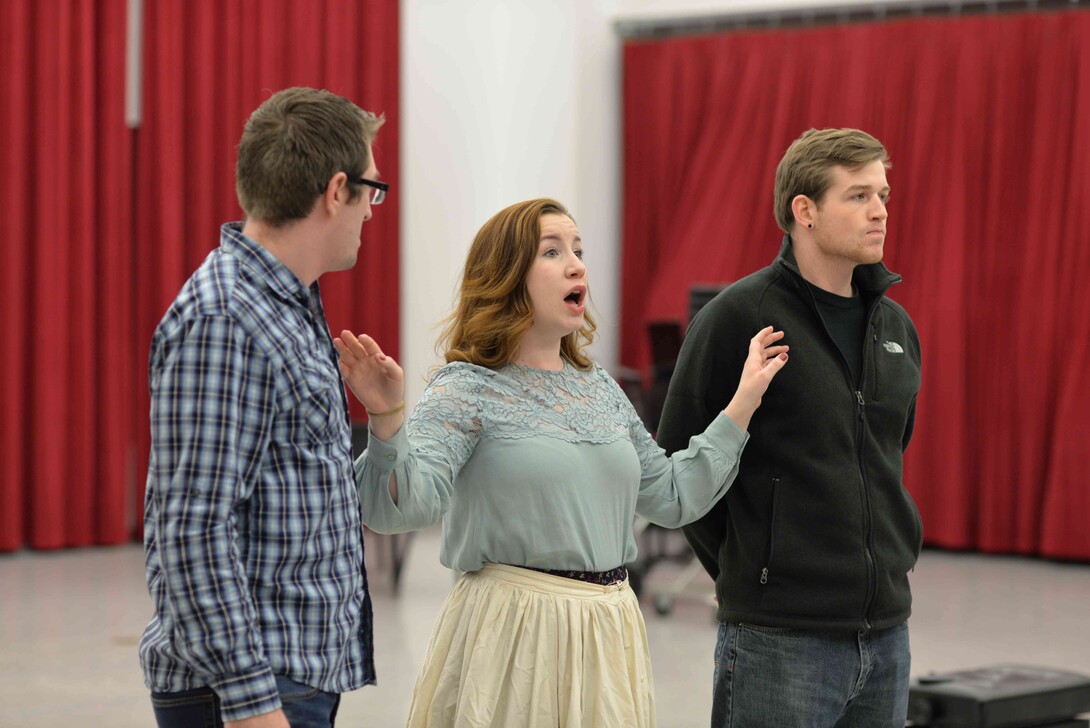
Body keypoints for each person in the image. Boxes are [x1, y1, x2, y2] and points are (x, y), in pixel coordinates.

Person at [334, 197, 788, 727]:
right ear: (506, 277)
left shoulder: (600, 390)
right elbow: (399, 511)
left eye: (578, 249)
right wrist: (387, 416)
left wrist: (745, 399)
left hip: (609, 630)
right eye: (552, 252)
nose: (577, 264)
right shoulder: (466, 388)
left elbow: (670, 496)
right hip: (513, 634)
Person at [656, 127, 923, 728]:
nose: (879, 210)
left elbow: (885, 456)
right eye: (857, 196)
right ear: (804, 210)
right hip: (777, 639)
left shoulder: (896, 328)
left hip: (886, 635)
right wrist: (752, 573)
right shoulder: (737, 319)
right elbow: (676, 471)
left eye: (883, 194)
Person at [140, 87, 387, 728]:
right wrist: (254, 709)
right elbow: (192, 530)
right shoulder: (227, 317)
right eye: (372, 192)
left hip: (291, 678)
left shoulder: (285, 305)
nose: (371, 212)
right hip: (249, 694)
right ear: (337, 191)